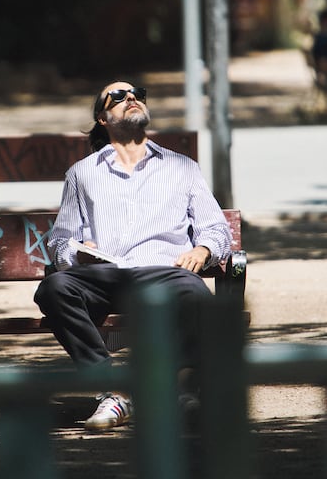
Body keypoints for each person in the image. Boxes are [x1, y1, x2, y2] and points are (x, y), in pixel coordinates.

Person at [34, 81, 232, 431]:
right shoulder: (82, 173)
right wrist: (77, 255)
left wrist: (203, 249)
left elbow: (216, 229)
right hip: (104, 276)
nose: (132, 99)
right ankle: (112, 391)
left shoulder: (181, 167)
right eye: (119, 96)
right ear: (102, 118)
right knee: (54, 289)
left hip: (163, 271)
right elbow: (61, 240)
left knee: (195, 293)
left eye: (138, 94)